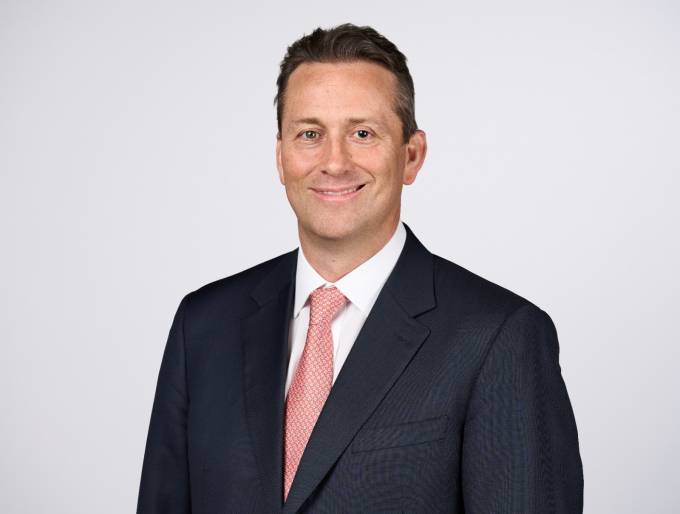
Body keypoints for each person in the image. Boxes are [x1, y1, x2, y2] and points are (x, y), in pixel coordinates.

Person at [136, 23, 583, 514]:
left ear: (411, 156)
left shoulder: (500, 337)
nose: (334, 162)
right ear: (281, 157)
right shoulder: (203, 325)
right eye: (310, 134)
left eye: (363, 133)